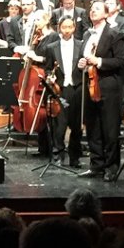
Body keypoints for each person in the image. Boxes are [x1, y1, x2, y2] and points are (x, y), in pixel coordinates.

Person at [77, 1, 124, 180]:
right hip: (91, 85)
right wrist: (81, 63)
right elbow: (82, 58)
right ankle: (96, 165)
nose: (92, 11)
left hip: (109, 87)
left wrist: (98, 61)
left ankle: (111, 168)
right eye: (91, 9)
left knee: (109, 129)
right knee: (93, 128)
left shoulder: (115, 35)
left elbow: (121, 61)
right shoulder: (86, 35)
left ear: (106, 14)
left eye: (97, 9)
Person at [34, 18, 84, 167]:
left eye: (70, 27)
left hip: (76, 87)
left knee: (76, 125)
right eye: (64, 27)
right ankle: (58, 154)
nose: (67, 30)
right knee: (59, 125)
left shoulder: (81, 45)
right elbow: (48, 67)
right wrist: (51, 75)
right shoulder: (52, 47)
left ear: (74, 28)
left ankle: (75, 157)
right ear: (59, 28)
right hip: (59, 88)